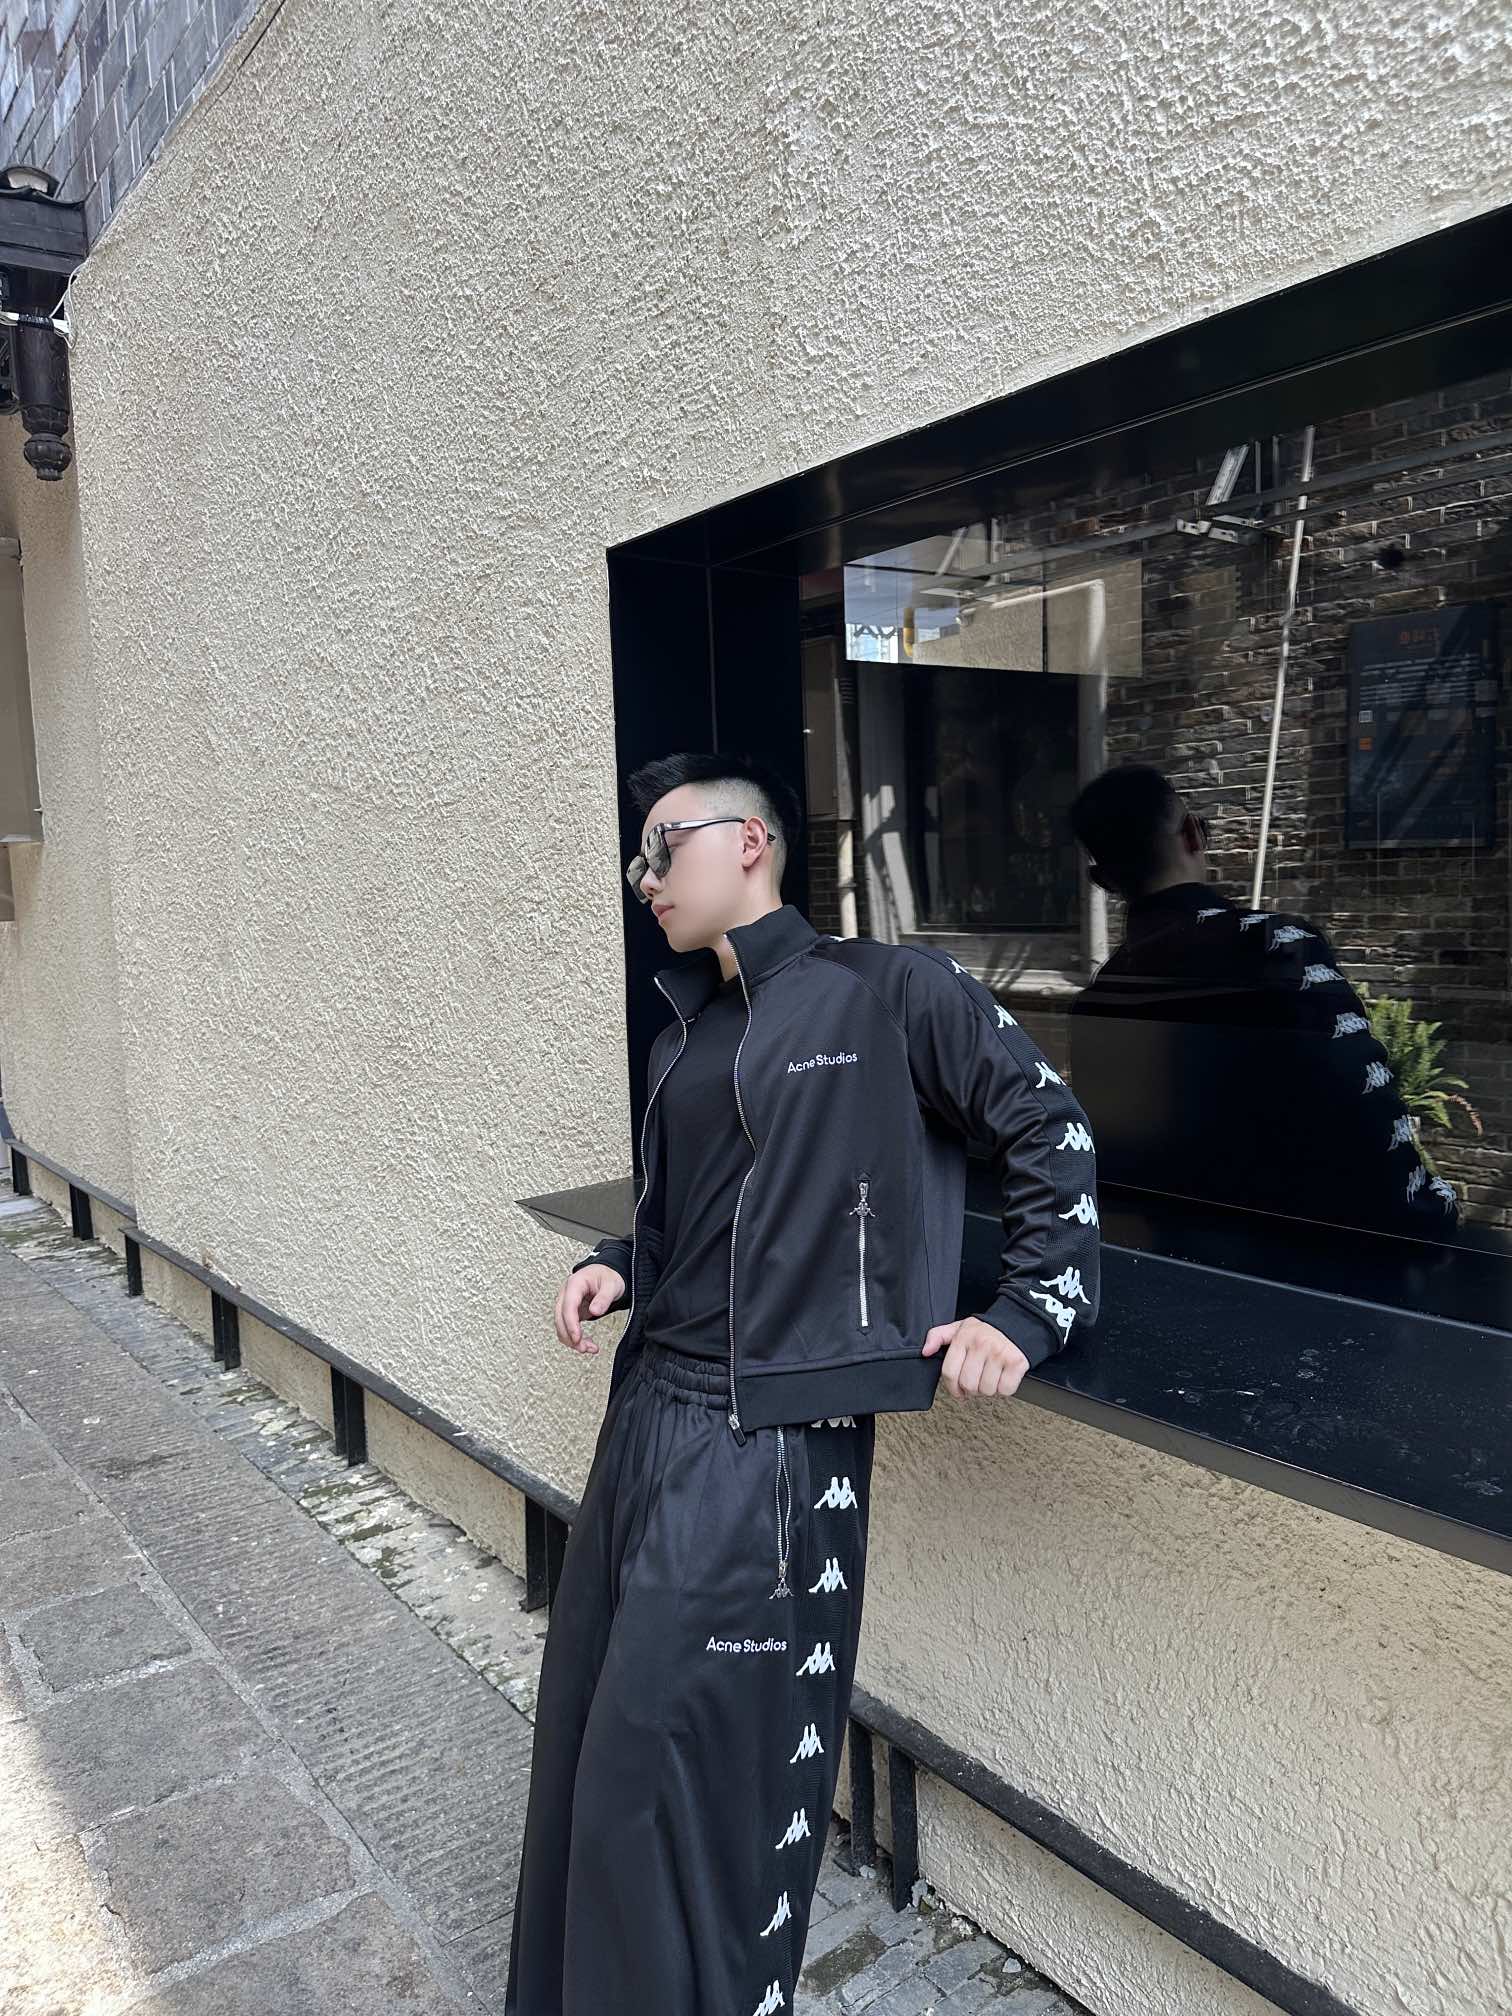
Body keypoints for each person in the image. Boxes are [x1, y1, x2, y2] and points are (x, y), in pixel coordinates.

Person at [505, 750, 1101, 2016]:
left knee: (669, 1774)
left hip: (768, 1442)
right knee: (589, 1751)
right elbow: (694, 1215)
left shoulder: (889, 992)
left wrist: (1025, 1312)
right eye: (635, 856)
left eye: (664, 847)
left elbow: (1050, 1128)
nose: (643, 876)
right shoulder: (689, 1029)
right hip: (647, 1413)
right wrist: (620, 1263)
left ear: (751, 843)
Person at [1067, 764, 1459, 1239]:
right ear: (1192, 835)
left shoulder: (1098, 1001)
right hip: (1299, 1261)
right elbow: (1381, 1152)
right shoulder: (1279, 951)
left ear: (1102, 879)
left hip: (1165, 1257)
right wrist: (1441, 1207)